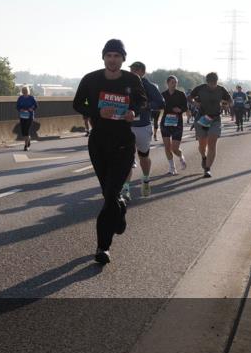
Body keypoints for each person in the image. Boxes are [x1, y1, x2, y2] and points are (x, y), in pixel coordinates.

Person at [72, 39, 147, 266]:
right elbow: (77, 104)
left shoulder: (131, 80)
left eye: (117, 56)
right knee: (109, 195)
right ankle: (121, 207)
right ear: (103, 57)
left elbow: (142, 100)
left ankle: (102, 247)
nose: (112, 59)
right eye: (109, 55)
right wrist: (96, 111)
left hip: (123, 143)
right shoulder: (91, 79)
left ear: (123, 59)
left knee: (110, 194)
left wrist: (133, 111)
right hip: (99, 144)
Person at [124, 62, 164, 199]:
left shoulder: (149, 86)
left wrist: (147, 105)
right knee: (127, 158)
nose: (131, 73)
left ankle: (146, 179)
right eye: (130, 70)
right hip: (127, 126)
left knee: (143, 157)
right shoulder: (125, 85)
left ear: (142, 72)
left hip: (142, 126)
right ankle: (126, 189)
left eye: (134, 70)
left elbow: (160, 103)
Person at [189, 73, 232, 178]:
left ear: (217, 81)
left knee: (212, 144)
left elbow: (230, 100)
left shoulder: (221, 90)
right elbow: (189, 98)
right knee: (202, 145)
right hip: (202, 118)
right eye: (210, 84)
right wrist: (195, 103)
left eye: (215, 83)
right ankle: (204, 157)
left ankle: (207, 169)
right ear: (207, 82)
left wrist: (226, 105)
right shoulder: (200, 88)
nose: (213, 85)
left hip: (215, 119)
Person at [160, 75, 189, 175]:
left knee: (174, 148)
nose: (174, 84)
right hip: (165, 122)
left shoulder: (181, 94)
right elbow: (159, 105)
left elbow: (186, 107)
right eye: (172, 82)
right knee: (167, 146)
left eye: (176, 82)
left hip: (177, 123)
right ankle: (172, 167)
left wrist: (180, 109)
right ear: (167, 83)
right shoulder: (163, 94)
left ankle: (181, 156)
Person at [16, 86, 38, 151]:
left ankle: (26, 146)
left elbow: (36, 105)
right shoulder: (20, 98)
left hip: (30, 116)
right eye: (23, 91)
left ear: (28, 91)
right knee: (23, 132)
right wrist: (20, 109)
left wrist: (32, 109)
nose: (24, 92)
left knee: (27, 131)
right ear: (22, 92)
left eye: (25, 91)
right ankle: (28, 140)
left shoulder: (32, 98)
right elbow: (17, 106)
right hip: (22, 116)